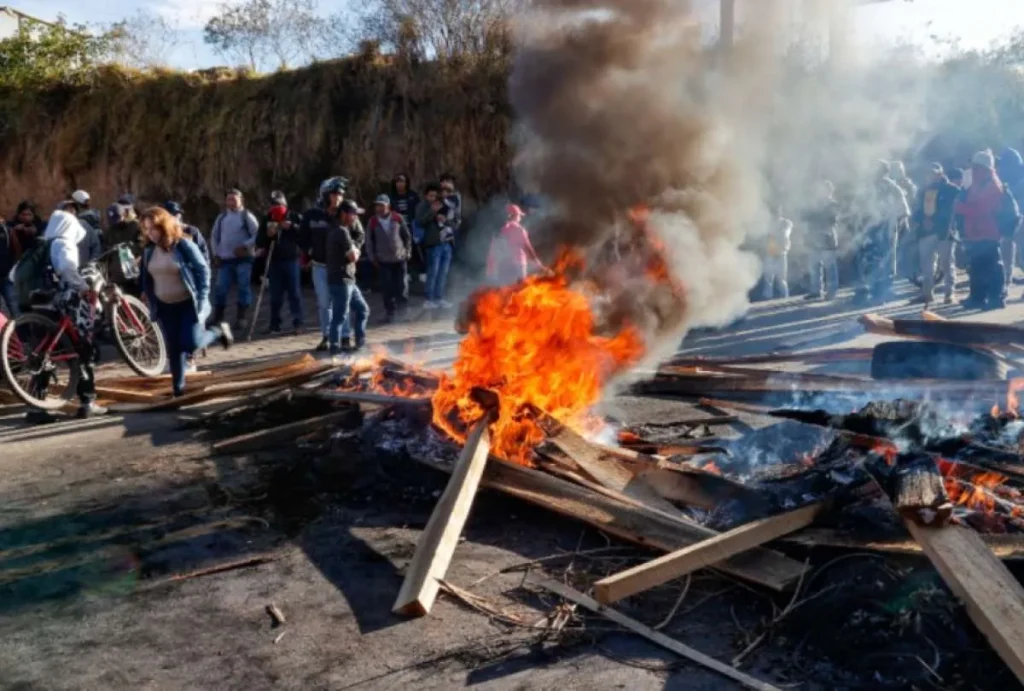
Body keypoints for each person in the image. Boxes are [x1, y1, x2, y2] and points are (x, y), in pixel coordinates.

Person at [139, 207, 233, 398]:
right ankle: (178, 389)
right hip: (165, 306)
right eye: (146, 229)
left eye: (153, 228)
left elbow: (203, 270)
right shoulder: (149, 251)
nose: (150, 233)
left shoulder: (182, 245)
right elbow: (145, 277)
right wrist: (146, 293)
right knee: (174, 348)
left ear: (163, 226)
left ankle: (217, 331)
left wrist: (202, 297)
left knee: (191, 343)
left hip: (187, 303)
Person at [43, 205, 106, 418]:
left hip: (43, 305)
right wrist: (84, 288)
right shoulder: (64, 244)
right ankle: (88, 402)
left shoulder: (44, 244)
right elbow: (68, 269)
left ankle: (36, 407)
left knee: (44, 355)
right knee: (83, 349)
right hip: (66, 304)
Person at [956, 150, 1017, 310]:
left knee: (992, 267)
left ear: (983, 168)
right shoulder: (976, 184)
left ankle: (996, 298)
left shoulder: (992, 186)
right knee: (976, 266)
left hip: (988, 232)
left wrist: (961, 208)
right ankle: (977, 297)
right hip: (975, 232)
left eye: (976, 167)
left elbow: (983, 209)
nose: (973, 170)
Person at [300, 176, 348, 351]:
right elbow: (302, 238)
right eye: (334, 194)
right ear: (325, 195)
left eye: (340, 194)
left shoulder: (345, 213)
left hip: (341, 267)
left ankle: (345, 336)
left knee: (342, 302)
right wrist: (310, 251)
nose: (338, 198)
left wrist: (355, 248)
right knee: (324, 302)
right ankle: (327, 336)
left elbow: (358, 233)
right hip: (319, 266)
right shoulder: (311, 215)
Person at [855, 161, 910, 305]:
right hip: (870, 228)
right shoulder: (868, 188)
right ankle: (867, 290)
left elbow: (903, 211)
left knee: (886, 259)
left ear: (884, 172)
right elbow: (860, 208)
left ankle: (883, 292)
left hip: (887, 229)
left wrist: (897, 226)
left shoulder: (892, 188)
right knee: (868, 259)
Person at [256, 190, 304, 334]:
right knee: (275, 295)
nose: (275, 208)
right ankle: (274, 324)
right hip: (274, 261)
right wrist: (268, 236)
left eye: (277, 204)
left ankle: (298, 323)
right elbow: (259, 240)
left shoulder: (295, 217)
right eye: (272, 205)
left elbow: (305, 233)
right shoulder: (267, 218)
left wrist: (292, 227)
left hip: (291, 260)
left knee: (294, 293)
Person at [911, 163, 960, 305]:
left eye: (933, 173)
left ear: (940, 174)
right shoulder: (922, 191)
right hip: (925, 232)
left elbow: (951, 211)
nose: (930, 176)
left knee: (947, 264)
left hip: (944, 232)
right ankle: (927, 293)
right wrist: (921, 220)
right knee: (926, 266)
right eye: (928, 173)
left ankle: (949, 294)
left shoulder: (952, 190)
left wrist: (934, 221)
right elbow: (917, 210)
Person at [210, 189, 259, 331]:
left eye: (234, 199)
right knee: (220, 287)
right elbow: (214, 236)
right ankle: (218, 317)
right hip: (225, 259)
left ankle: (241, 317)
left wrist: (245, 246)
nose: (231, 202)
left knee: (243, 286)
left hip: (243, 259)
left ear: (241, 200)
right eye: (228, 199)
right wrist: (216, 253)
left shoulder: (246, 216)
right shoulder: (222, 217)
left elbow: (257, 234)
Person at [327, 200, 370, 355]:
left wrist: (354, 248)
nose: (355, 218)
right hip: (341, 280)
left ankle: (360, 342)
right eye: (353, 214)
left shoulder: (341, 230)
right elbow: (353, 257)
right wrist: (356, 250)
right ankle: (335, 350)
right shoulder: (341, 231)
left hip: (348, 280)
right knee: (339, 316)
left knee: (363, 309)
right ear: (344, 214)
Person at [366, 194, 412, 322]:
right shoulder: (373, 221)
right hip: (383, 260)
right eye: (377, 206)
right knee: (387, 288)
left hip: (399, 258)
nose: (379, 208)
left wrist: (408, 251)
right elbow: (369, 241)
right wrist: (372, 257)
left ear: (388, 206)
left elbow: (407, 236)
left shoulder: (397, 218)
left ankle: (403, 313)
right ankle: (390, 313)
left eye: (382, 205)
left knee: (402, 287)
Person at [487, 203, 547, 286]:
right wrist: (538, 263)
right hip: (518, 266)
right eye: (519, 215)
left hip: (503, 267)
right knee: (519, 289)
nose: (520, 218)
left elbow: (493, 252)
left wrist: (490, 269)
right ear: (514, 216)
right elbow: (527, 248)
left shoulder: (498, 231)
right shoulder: (519, 230)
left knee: (506, 291)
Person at [417, 183, 455, 308]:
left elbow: (454, 223)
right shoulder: (422, 206)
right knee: (433, 272)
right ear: (426, 196)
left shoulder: (446, 205)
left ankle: (439, 298)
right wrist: (432, 211)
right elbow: (420, 222)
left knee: (443, 273)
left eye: (435, 195)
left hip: (447, 243)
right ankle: (429, 299)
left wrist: (445, 220)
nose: (433, 198)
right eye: (431, 196)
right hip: (433, 244)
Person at [803, 181, 840, 301]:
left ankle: (831, 291)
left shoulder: (832, 204)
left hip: (827, 238)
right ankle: (816, 290)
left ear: (829, 191)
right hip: (814, 238)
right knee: (814, 266)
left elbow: (832, 220)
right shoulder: (815, 204)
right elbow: (808, 218)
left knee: (830, 267)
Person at [996, 148, 1024, 286]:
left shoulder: (1021, 181)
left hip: (1020, 220)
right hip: (1011, 222)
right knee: (1012, 255)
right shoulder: (1008, 181)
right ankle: (1006, 281)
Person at [891, 161, 918, 282]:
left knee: (906, 245)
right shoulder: (890, 184)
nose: (898, 172)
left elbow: (913, 200)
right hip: (892, 219)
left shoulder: (908, 184)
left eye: (899, 170)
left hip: (906, 217)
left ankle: (906, 270)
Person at [162, 201, 210, 266]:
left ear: (179, 215)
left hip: (189, 268)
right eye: (169, 215)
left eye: (175, 214)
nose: (173, 217)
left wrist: (204, 267)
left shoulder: (191, 231)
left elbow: (203, 251)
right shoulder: (161, 233)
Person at [0, 218, 18, 316]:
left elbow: (16, 249)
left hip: (6, 274)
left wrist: (13, 267)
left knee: (13, 304)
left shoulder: (7, 230)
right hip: (6, 273)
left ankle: (21, 325)